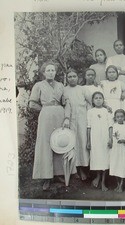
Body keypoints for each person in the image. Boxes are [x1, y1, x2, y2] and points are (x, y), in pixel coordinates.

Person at [29, 61, 69, 190]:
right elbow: (32, 104)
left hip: (60, 114)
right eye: (48, 70)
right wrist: (46, 110)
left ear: (56, 72)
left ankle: (58, 174)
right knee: (46, 143)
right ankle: (46, 176)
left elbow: (66, 101)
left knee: (59, 142)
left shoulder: (61, 85)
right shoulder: (38, 85)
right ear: (44, 72)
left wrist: (65, 114)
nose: (51, 72)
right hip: (46, 115)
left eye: (53, 70)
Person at [64, 69, 91, 181]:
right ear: (67, 79)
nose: (72, 78)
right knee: (73, 143)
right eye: (69, 77)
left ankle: (85, 168)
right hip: (71, 119)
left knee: (83, 141)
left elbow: (90, 102)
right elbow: (64, 104)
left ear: (78, 78)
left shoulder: (83, 89)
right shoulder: (64, 90)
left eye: (74, 76)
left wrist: (89, 117)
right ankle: (74, 169)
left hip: (83, 119)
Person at [86, 92, 112, 191]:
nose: (98, 100)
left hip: (105, 138)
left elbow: (110, 126)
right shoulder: (90, 111)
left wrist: (110, 138)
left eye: (100, 98)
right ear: (92, 100)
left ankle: (103, 182)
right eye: (96, 98)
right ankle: (98, 177)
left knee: (105, 160)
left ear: (103, 100)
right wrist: (88, 141)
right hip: (95, 138)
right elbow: (88, 127)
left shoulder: (107, 111)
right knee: (97, 159)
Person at [109, 109, 125, 192]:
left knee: (122, 166)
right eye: (117, 117)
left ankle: (121, 185)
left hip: (123, 149)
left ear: (124, 117)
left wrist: (124, 140)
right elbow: (112, 137)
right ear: (115, 118)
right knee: (115, 165)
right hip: (115, 148)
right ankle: (117, 184)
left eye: (121, 116)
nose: (119, 118)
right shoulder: (114, 126)